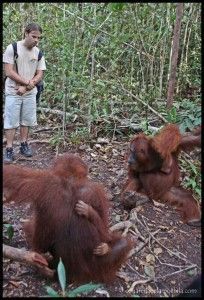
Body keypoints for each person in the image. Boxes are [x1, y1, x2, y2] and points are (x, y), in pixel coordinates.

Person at [3, 23, 46, 163]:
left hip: (29, 93)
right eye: (33, 36)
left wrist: (28, 87)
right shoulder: (13, 48)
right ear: (26, 33)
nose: (36, 40)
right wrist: (27, 83)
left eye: (38, 38)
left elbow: (40, 74)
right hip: (13, 91)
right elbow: (9, 71)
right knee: (11, 121)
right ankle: (9, 149)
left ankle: (23, 144)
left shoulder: (38, 53)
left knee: (26, 120)